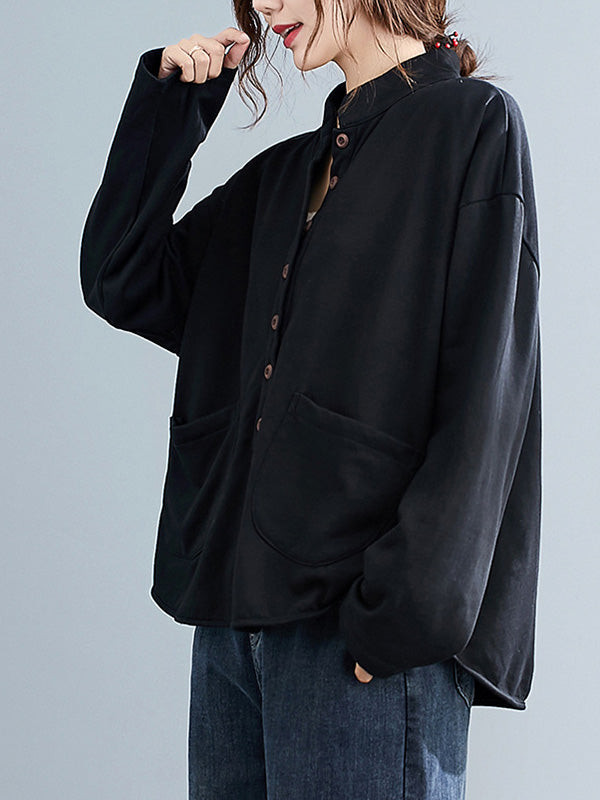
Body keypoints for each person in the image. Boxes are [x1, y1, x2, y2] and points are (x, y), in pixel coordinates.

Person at [80, 1, 542, 798]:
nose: (264, 7)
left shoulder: (471, 125)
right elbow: (123, 277)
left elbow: (487, 390)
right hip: (234, 630)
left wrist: (404, 616)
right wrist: (173, 107)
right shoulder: (284, 176)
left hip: (362, 636)